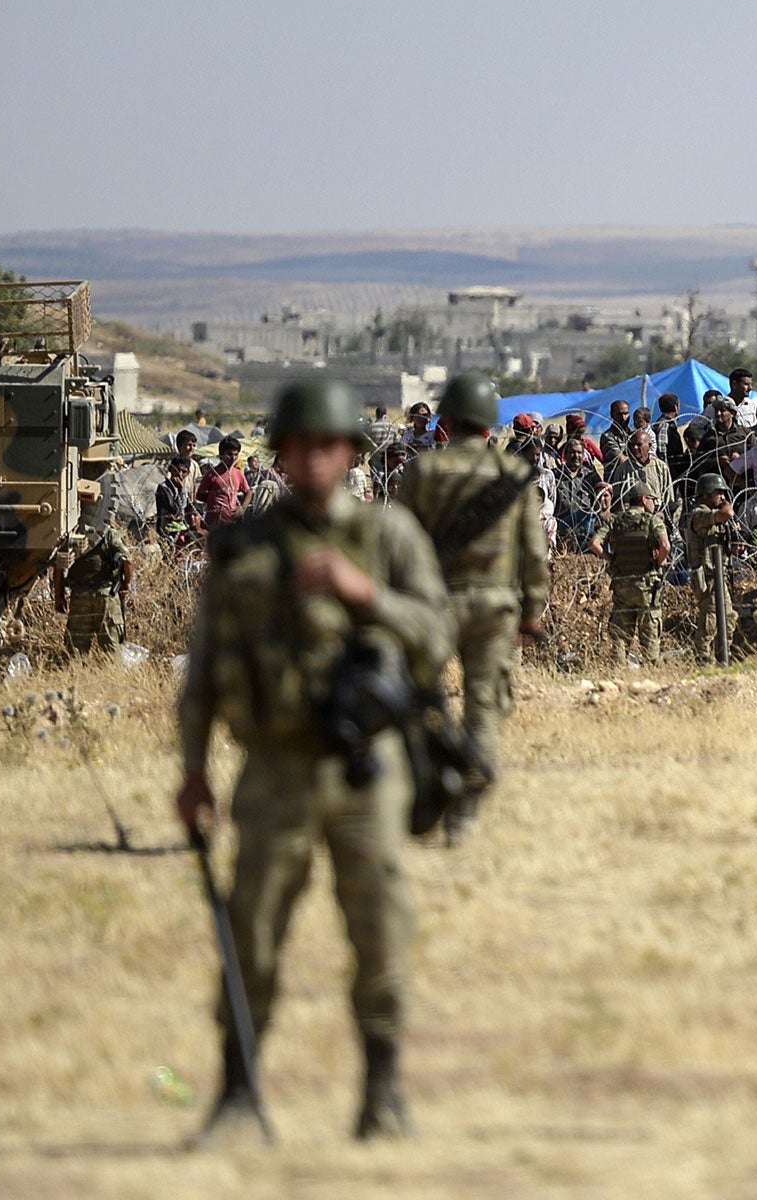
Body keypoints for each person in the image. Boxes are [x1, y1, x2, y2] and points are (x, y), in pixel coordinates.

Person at [175, 376, 453, 1145]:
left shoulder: (389, 538)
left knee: (380, 928)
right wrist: (194, 769)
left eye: (329, 444)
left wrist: (365, 594)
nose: (315, 458)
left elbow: (435, 635)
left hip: (368, 766)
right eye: (300, 445)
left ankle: (384, 1094)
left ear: (349, 452)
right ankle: (237, 1097)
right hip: (274, 767)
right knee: (253, 929)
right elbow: (203, 666)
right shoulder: (246, 545)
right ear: (284, 454)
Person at [395, 373, 550, 839]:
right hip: (495, 606)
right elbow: (534, 551)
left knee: (423, 698)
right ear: (488, 421)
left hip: (435, 605)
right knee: (485, 704)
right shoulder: (514, 475)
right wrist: (533, 610)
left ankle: (432, 780)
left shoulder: (423, 472)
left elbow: (402, 543)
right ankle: (469, 795)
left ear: (449, 419)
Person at [592, 483, 672, 664]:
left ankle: (618, 670)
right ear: (644, 500)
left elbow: (594, 544)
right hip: (647, 584)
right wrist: (659, 561)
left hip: (622, 584)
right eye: (652, 499)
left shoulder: (616, 521)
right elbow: (666, 546)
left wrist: (610, 558)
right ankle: (652, 671)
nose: (654, 504)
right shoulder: (653, 521)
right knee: (650, 630)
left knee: (621, 633)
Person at [58, 483, 133, 653]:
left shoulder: (69, 533)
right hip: (105, 594)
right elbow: (127, 561)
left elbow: (59, 566)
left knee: (76, 648)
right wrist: (127, 585)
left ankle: (75, 677)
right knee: (111, 647)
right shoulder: (109, 534)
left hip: (79, 595)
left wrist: (59, 596)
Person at [682, 474, 737, 656]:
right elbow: (727, 513)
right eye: (718, 493)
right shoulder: (699, 514)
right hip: (708, 578)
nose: (722, 497)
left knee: (728, 619)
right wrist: (728, 505)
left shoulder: (712, 516)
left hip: (719, 576)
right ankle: (704, 660)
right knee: (710, 623)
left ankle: (722, 657)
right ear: (705, 494)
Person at [198, 436, 252, 526]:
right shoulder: (212, 474)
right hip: (213, 521)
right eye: (229, 454)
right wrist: (215, 501)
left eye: (236, 455)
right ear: (221, 454)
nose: (233, 458)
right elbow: (199, 495)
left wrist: (242, 508)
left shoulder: (238, 473)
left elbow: (248, 492)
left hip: (231, 521)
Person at [156, 456, 200, 545]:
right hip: (168, 529)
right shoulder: (164, 487)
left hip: (182, 528)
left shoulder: (185, 489)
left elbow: (187, 508)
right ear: (171, 469)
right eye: (177, 470)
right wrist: (181, 491)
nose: (180, 474)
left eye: (184, 472)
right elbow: (175, 509)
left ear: (187, 473)